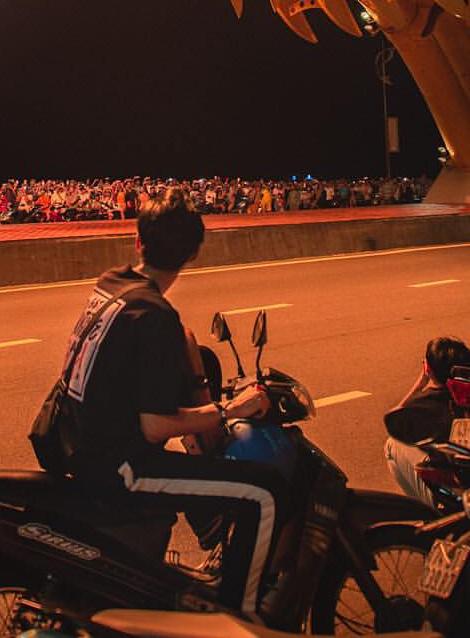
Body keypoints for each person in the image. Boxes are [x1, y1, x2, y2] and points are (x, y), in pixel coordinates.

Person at [32, 187, 290, 616]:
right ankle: (240, 617)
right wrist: (231, 409)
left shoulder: (112, 283)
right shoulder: (156, 315)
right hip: (119, 468)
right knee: (265, 490)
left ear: (138, 242)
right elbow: (155, 426)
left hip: (76, 443)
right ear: (192, 256)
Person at [384, 335, 470, 505]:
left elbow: (395, 419)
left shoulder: (423, 403)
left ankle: (424, 508)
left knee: (392, 444)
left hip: (449, 490)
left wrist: (421, 383)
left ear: (428, 368)